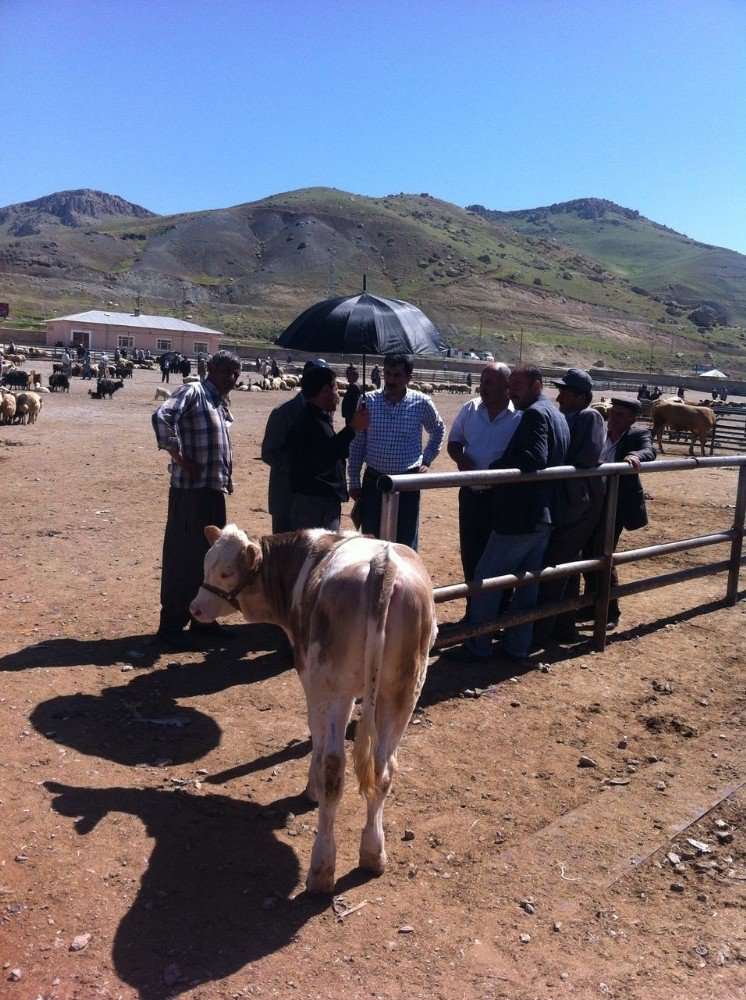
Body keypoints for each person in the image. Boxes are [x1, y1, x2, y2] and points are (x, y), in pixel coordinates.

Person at [455, 365, 570, 665]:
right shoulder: (557, 415)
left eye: (517, 384)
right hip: (543, 515)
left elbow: (534, 458)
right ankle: (517, 646)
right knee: (526, 584)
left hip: (522, 516)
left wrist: (496, 468)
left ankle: (479, 644)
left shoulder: (533, 414)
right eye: (512, 384)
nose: (513, 390)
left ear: (536, 385)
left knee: (485, 578)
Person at [150, 350, 241, 649]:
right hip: (190, 492)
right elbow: (162, 416)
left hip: (212, 491)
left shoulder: (219, 403)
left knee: (210, 559)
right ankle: (171, 625)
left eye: (236, 374)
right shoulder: (194, 391)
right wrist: (181, 458)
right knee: (182, 556)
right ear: (211, 368)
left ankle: (204, 621)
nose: (231, 378)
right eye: (227, 371)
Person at [535, 369, 605, 644]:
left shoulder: (590, 417)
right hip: (571, 500)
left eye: (565, 391)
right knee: (566, 563)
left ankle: (546, 629)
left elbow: (587, 455)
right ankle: (561, 625)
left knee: (559, 563)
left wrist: (556, 465)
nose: (560, 395)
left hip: (580, 500)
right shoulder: (567, 417)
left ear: (580, 397)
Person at [447, 363, 522, 618]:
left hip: (501, 498)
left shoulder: (519, 416)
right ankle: (473, 612)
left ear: (506, 386)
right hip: (470, 495)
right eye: (482, 381)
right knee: (471, 554)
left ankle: (499, 613)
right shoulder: (470, 408)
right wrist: (460, 459)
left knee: (500, 556)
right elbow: (454, 441)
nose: (483, 387)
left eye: (490, 382)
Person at [348, 353, 445, 550]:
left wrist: (426, 460)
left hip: (407, 484)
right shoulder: (367, 402)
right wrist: (355, 481)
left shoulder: (422, 403)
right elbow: (357, 443)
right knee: (371, 542)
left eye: (397, 375)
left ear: (409, 377)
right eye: (388, 373)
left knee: (405, 542)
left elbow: (438, 429)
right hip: (373, 481)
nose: (391, 380)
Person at [582, 398, 655, 629]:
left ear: (632, 420)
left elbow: (648, 451)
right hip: (591, 503)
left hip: (615, 506)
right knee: (586, 555)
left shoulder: (637, 434)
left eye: (620, 415)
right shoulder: (600, 433)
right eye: (613, 413)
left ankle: (610, 611)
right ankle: (591, 605)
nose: (613, 418)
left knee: (603, 556)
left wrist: (635, 457)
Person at [286, 365, 370, 530]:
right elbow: (324, 454)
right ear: (325, 390)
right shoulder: (310, 421)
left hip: (317, 502)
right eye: (336, 389)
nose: (338, 396)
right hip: (314, 504)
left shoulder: (316, 417)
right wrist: (353, 428)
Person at [260, 359, 329, 533]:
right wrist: (303, 465)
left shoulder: (325, 411)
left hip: (317, 500)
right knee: (286, 556)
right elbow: (269, 453)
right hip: (288, 500)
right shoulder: (283, 413)